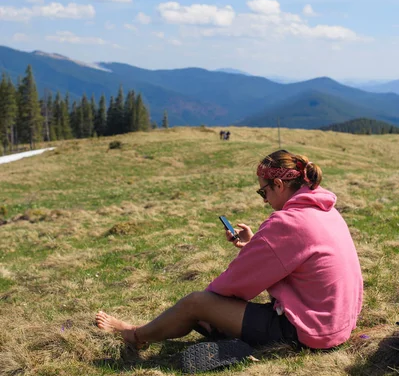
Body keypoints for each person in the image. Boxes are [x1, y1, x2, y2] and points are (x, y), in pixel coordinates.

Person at [95, 149, 363, 351]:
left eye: (263, 192)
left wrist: (210, 308)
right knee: (209, 312)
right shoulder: (324, 209)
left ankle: (135, 335)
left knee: (195, 303)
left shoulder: (287, 222)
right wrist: (253, 246)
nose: (265, 200)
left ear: (279, 185)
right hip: (339, 323)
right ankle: (229, 338)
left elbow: (234, 285)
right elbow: (297, 258)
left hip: (310, 331)